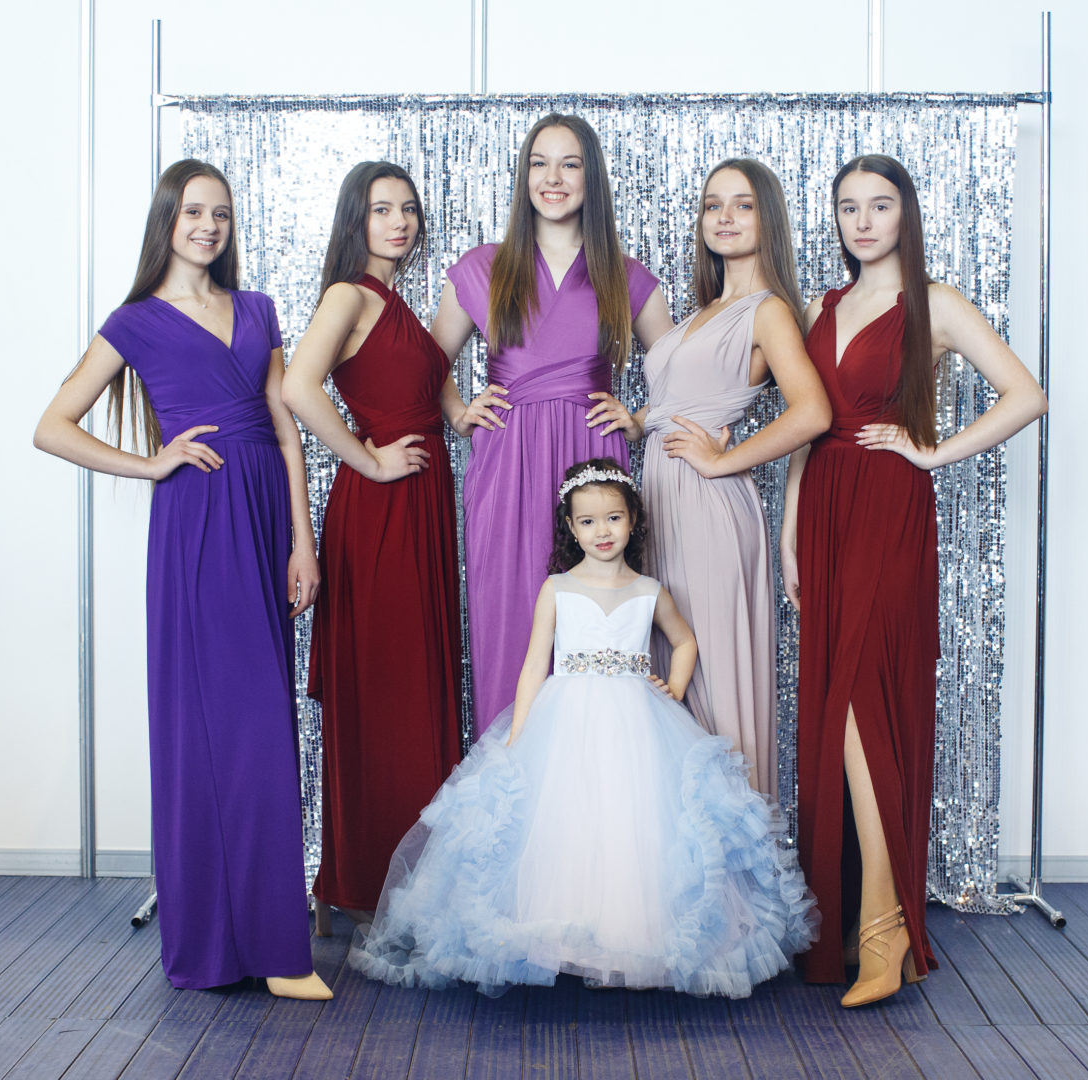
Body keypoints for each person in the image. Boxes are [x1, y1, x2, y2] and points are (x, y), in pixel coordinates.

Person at [348, 459, 818, 997]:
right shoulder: (557, 588)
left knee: (630, 821)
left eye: (614, 518)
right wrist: (518, 735)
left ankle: (627, 939)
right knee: (566, 817)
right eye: (589, 521)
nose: (602, 531)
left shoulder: (649, 590)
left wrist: (674, 686)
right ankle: (562, 943)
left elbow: (684, 641)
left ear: (633, 520)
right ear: (571, 528)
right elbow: (534, 664)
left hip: (637, 722)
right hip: (566, 717)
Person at [33, 159, 330, 1000]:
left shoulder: (258, 308)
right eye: (194, 211)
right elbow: (52, 426)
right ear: (167, 219)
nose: (208, 226)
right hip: (196, 525)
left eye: (221, 214)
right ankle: (232, 946)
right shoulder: (134, 323)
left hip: (264, 519)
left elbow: (285, 429)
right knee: (213, 729)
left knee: (264, 724)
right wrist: (148, 464)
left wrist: (303, 542)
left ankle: (270, 944)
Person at [781, 154, 1047, 1007]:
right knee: (835, 710)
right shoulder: (820, 307)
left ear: (906, 215)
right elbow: (807, 425)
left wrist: (933, 453)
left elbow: (1026, 396)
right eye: (849, 207)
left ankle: (885, 926)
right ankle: (865, 920)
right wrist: (788, 531)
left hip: (887, 509)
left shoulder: (936, 305)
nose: (863, 222)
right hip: (822, 510)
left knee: (863, 706)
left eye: (880, 206)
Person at [587, 158, 830, 797]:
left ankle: (735, 854)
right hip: (659, 500)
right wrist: (638, 421)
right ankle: (681, 850)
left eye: (743, 205)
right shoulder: (704, 311)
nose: (724, 217)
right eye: (712, 205)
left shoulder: (767, 311)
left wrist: (724, 459)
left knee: (713, 678)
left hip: (710, 504)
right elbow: (683, 398)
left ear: (767, 218)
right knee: (668, 673)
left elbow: (813, 412)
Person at [430, 113, 674, 732]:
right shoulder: (483, 267)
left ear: (591, 179)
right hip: (506, 463)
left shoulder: (623, 273)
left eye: (570, 164)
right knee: (509, 616)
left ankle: (594, 780)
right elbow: (425, 363)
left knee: (594, 621)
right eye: (539, 163)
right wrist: (458, 411)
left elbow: (682, 369)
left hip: (592, 459)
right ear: (524, 176)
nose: (553, 178)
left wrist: (639, 420)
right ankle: (510, 774)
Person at [280, 162, 462, 932]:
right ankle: (362, 885)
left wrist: (464, 409)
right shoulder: (349, 296)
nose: (400, 222)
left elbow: (424, 392)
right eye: (382, 209)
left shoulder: (398, 303)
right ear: (356, 219)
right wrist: (370, 460)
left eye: (409, 209)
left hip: (422, 503)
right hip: (381, 510)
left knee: (416, 687)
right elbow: (297, 387)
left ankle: (407, 885)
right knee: (387, 693)